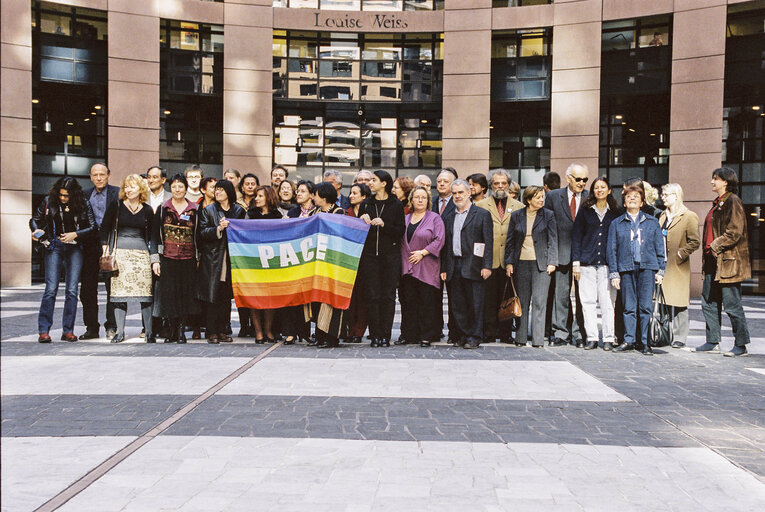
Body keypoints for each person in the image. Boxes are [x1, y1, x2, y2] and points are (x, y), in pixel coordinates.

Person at [694, 168, 752, 357]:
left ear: (725, 182)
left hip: (728, 262)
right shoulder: (717, 204)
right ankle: (712, 341)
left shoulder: (732, 201)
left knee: (732, 305)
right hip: (713, 262)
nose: (712, 182)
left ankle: (741, 345)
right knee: (709, 301)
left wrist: (714, 245)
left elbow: (735, 232)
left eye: (715, 179)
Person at [30, 177, 96, 343]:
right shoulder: (48, 201)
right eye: (61, 195)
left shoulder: (83, 203)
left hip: (75, 248)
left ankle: (68, 330)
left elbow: (93, 226)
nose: (63, 198)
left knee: (72, 290)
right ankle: (44, 330)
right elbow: (34, 220)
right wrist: (36, 231)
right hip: (54, 246)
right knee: (51, 289)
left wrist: (76, 234)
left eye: (66, 195)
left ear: (73, 194)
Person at [607, 184, 665, 355]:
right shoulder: (616, 223)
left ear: (642, 202)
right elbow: (612, 250)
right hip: (626, 268)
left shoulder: (652, 222)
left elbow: (660, 248)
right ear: (624, 202)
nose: (632, 199)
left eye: (636, 197)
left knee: (645, 307)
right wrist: (614, 273)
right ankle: (629, 339)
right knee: (628, 307)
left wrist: (661, 271)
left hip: (647, 268)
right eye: (628, 196)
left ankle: (645, 341)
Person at [100, 174, 158, 344]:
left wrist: (154, 259)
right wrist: (105, 247)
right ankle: (119, 332)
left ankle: (149, 332)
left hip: (141, 255)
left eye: (132, 186)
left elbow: (153, 236)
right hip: (120, 255)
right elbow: (104, 228)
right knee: (119, 294)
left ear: (141, 189)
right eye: (126, 186)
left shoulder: (147, 210)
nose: (128, 190)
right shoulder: (116, 206)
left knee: (145, 294)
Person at [440, 179, 493, 349]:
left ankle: (474, 336)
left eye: (460, 192)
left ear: (469, 193)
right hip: (454, 265)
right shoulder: (449, 217)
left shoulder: (482, 214)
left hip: (475, 265)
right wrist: (443, 268)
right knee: (458, 304)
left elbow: (488, 242)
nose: (457, 196)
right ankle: (462, 334)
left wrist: (487, 265)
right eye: (454, 193)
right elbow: (446, 245)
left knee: (475, 303)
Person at [475, 169, 524, 343]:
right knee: (488, 297)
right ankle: (489, 332)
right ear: (491, 185)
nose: (500, 186)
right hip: (489, 259)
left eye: (504, 183)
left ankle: (505, 333)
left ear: (509, 185)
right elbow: (477, 236)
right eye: (496, 183)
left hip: (510, 260)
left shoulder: (519, 207)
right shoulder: (480, 206)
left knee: (508, 297)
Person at [505, 185, 558, 348]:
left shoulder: (548, 215)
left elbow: (553, 239)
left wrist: (552, 262)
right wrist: (509, 262)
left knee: (540, 302)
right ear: (528, 200)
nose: (541, 199)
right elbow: (510, 241)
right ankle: (520, 338)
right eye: (537, 197)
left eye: (542, 197)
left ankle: (538, 340)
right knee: (522, 301)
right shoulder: (516, 216)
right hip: (520, 264)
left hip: (541, 264)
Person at [572, 177, 620, 351]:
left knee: (607, 303)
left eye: (603, 187)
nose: (599, 190)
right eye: (596, 188)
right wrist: (576, 262)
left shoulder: (616, 211)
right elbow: (576, 236)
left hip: (607, 265)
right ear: (593, 191)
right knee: (588, 302)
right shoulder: (585, 211)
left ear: (609, 190)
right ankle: (591, 337)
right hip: (586, 264)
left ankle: (608, 337)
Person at [358, 170, 406, 348]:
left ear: (384, 183)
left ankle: (385, 335)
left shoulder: (396, 205)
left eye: (374, 180)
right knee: (371, 296)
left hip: (390, 257)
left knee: (387, 296)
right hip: (370, 257)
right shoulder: (366, 204)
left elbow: (400, 231)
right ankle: (374, 334)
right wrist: (361, 221)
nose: (370, 183)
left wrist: (384, 224)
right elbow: (358, 232)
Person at [545, 162, 589, 347]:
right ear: (569, 178)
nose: (582, 183)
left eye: (585, 180)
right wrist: (551, 257)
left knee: (582, 297)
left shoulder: (590, 197)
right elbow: (547, 226)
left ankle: (579, 334)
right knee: (560, 296)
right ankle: (560, 333)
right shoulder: (554, 196)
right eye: (578, 179)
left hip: (584, 257)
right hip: (561, 254)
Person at [197, 180, 246, 344]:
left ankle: (223, 329)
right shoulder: (208, 210)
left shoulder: (238, 210)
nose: (217, 192)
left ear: (229, 192)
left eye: (221, 190)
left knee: (225, 297)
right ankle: (211, 331)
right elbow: (202, 232)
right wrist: (218, 228)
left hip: (232, 258)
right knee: (213, 295)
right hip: (213, 258)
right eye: (216, 190)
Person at [152, 174, 199, 344]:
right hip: (168, 257)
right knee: (169, 295)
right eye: (174, 187)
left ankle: (181, 331)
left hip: (188, 258)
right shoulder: (163, 209)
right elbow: (155, 236)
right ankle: (171, 330)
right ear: (170, 189)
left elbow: (198, 235)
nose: (177, 190)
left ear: (186, 189)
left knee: (185, 294)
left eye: (180, 187)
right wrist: (155, 259)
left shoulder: (194, 210)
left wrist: (198, 257)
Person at [399, 186, 445, 347]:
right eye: (417, 197)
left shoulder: (435, 218)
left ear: (428, 201)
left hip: (427, 267)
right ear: (411, 200)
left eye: (423, 197)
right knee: (408, 303)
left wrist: (423, 253)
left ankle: (427, 335)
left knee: (427, 303)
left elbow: (439, 240)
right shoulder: (405, 218)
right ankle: (409, 335)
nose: (420, 200)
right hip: (407, 268)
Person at [657, 184, 700, 349]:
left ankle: (680, 336)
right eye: (662, 194)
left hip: (677, 266)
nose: (663, 197)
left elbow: (694, 241)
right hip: (662, 265)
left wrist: (681, 254)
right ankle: (665, 334)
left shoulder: (688, 216)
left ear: (676, 196)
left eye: (666, 194)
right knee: (663, 300)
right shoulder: (662, 216)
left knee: (679, 302)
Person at [80, 163, 119, 340]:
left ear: (108, 175)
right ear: (90, 176)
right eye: (95, 175)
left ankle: (111, 326)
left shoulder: (117, 193)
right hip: (89, 246)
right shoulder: (84, 195)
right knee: (88, 289)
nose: (99, 178)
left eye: (102, 174)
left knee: (113, 288)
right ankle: (91, 327)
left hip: (110, 245)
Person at [308, 182, 348, 348]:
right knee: (318, 299)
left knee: (331, 300)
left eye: (315, 194)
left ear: (324, 197)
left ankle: (332, 337)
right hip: (318, 264)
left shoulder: (339, 212)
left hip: (333, 263)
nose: (313, 197)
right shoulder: (314, 211)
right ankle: (319, 335)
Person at [245, 186, 283, 343]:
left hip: (271, 261)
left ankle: (268, 330)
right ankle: (258, 331)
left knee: (270, 297)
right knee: (254, 296)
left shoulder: (277, 216)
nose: (257, 198)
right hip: (253, 260)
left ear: (269, 197)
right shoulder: (250, 215)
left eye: (260, 195)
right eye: (256, 196)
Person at [345, 183, 371, 343]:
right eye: (350, 193)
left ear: (364, 196)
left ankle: (359, 331)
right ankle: (348, 330)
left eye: (355, 193)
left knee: (363, 298)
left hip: (366, 260)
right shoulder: (345, 212)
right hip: (348, 259)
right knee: (350, 297)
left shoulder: (370, 212)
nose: (351, 196)